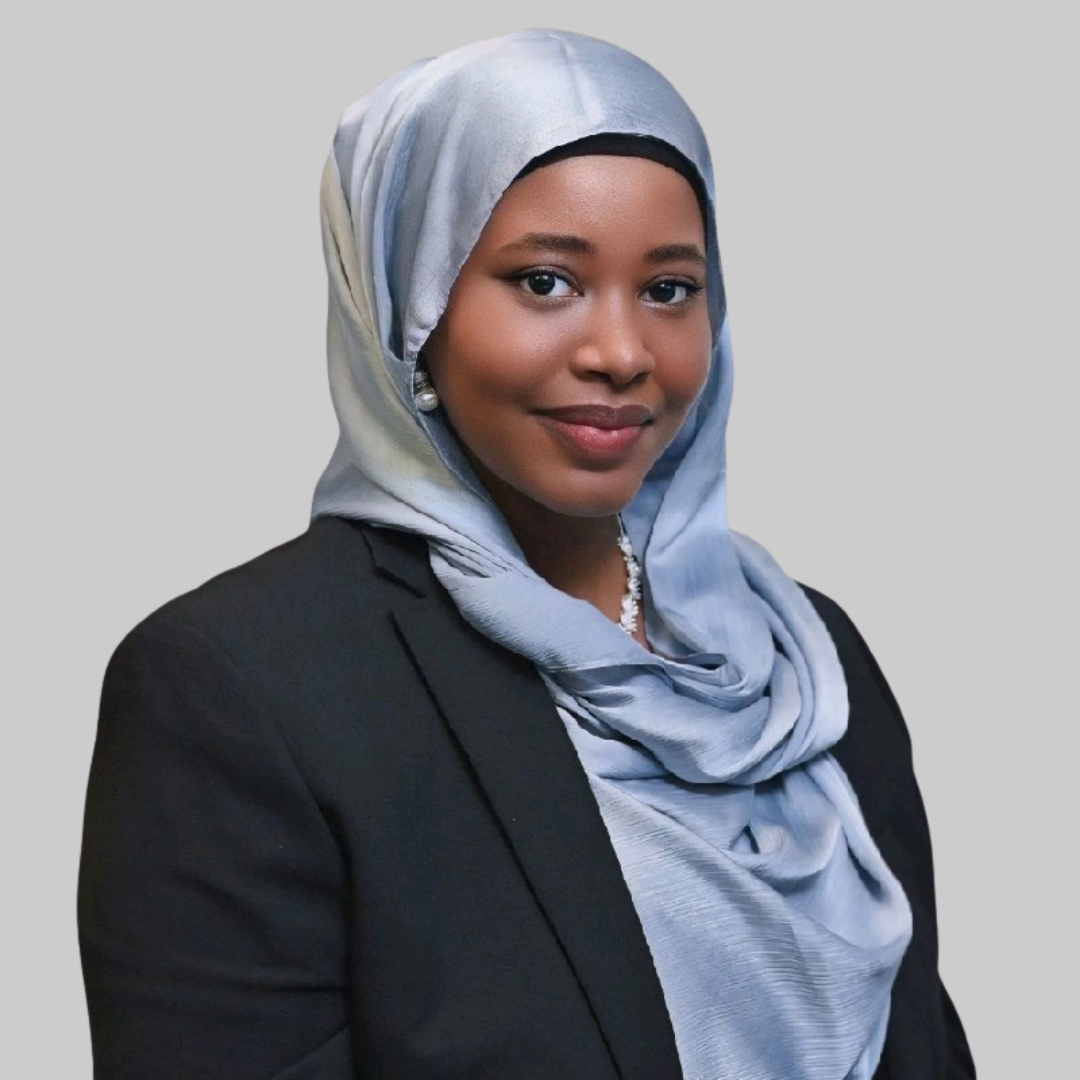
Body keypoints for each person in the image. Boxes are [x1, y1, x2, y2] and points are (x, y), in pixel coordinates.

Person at [77, 28, 976, 1080]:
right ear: (410, 308)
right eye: (546, 281)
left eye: (669, 289)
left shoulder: (805, 660)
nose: (621, 352)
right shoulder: (244, 688)